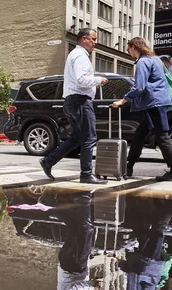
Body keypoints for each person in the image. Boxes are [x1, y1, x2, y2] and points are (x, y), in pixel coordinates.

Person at [39, 28, 108, 184]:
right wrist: (99, 80)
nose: (95, 43)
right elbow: (81, 80)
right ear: (84, 39)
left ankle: (48, 161)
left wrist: (92, 85)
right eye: (93, 39)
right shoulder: (80, 56)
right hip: (81, 102)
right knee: (89, 138)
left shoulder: (76, 55)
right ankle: (86, 174)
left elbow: (80, 81)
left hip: (73, 101)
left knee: (77, 138)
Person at [112, 37, 172, 182]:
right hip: (155, 102)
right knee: (140, 134)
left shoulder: (143, 62)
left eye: (128, 48)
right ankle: (129, 166)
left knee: (162, 136)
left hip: (153, 103)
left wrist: (123, 100)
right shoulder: (155, 59)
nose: (127, 51)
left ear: (134, 47)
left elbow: (139, 87)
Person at [117, 194, 172, 290]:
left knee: (143, 231)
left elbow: (153, 281)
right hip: (145, 260)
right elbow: (133, 274)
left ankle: (133, 201)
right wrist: (121, 264)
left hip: (153, 263)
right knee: (157, 229)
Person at [55, 191, 101, 290]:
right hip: (66, 263)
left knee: (87, 231)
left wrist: (91, 286)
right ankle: (59, 202)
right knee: (75, 229)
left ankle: (85, 198)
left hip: (74, 265)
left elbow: (75, 288)